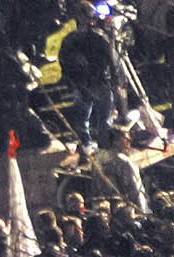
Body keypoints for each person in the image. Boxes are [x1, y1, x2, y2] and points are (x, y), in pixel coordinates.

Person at [58, 4, 117, 152]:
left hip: (91, 83)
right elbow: (111, 60)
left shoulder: (76, 39)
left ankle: (92, 146)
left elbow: (111, 60)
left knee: (89, 119)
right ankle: (94, 147)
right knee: (91, 119)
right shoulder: (83, 39)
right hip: (89, 83)